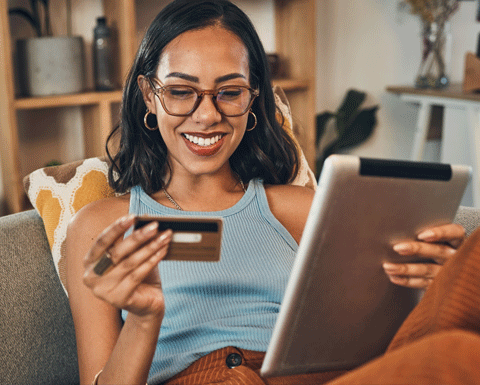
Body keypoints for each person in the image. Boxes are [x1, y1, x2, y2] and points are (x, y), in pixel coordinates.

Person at [65, 1, 465, 384]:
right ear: (150, 95)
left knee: (463, 324)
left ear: (254, 95)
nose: (207, 116)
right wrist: (144, 317)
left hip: (305, 376)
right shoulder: (102, 226)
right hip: (198, 377)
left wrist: (436, 285)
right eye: (181, 91)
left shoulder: (302, 210)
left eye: (230, 92)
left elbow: (371, 335)